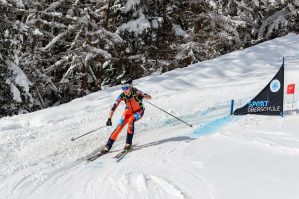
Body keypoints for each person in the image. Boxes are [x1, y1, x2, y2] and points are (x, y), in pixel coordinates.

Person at [101, 81, 152, 153]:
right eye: (122, 88)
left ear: (130, 87)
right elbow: (114, 107)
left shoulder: (136, 92)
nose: (124, 90)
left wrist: (143, 96)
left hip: (139, 111)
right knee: (119, 126)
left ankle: (128, 143)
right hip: (128, 111)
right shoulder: (122, 96)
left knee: (131, 120)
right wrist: (109, 118)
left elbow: (149, 97)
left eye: (126, 87)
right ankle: (108, 146)